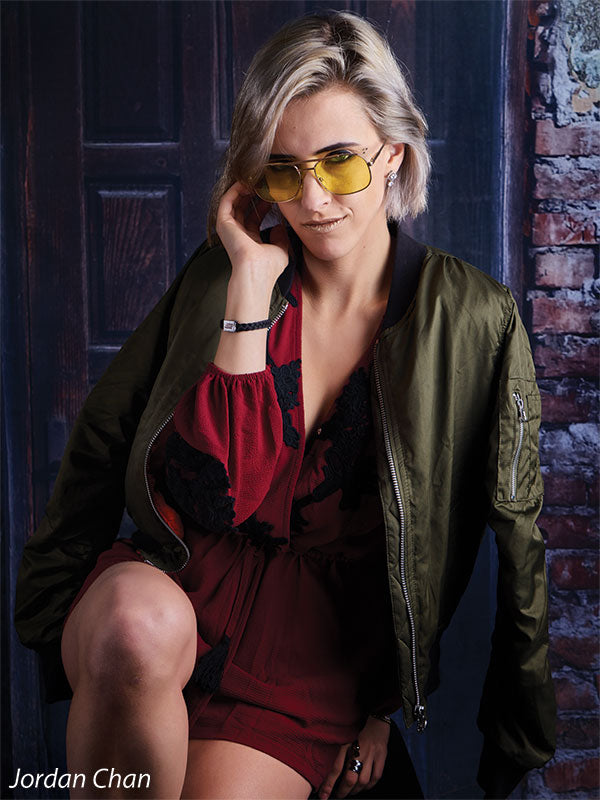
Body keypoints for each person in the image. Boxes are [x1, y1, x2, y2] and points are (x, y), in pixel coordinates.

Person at [15, 10, 556, 800]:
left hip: (310, 657)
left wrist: (396, 708)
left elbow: (499, 528)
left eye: (338, 163)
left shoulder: (474, 318)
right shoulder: (223, 275)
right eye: (283, 170)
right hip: (176, 587)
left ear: (394, 154)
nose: (312, 198)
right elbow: (178, 477)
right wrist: (248, 283)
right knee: (136, 626)